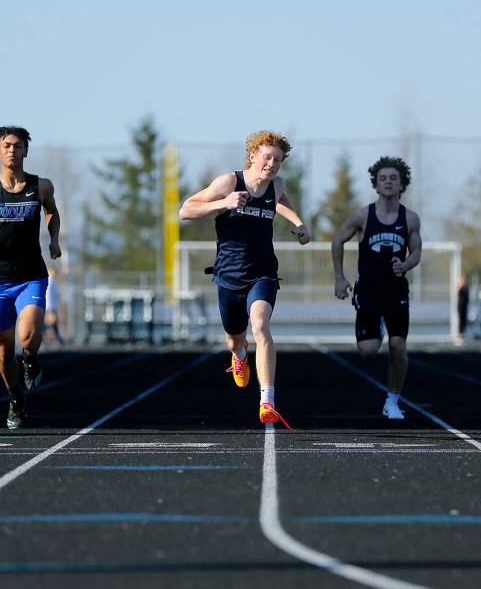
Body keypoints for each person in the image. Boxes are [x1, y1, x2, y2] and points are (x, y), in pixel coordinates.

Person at [178, 130, 310, 429]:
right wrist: (223, 203)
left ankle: (267, 400)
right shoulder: (229, 182)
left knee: (261, 325)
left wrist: (299, 223)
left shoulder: (276, 185)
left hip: (263, 272)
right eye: (267, 157)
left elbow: (280, 199)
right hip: (228, 274)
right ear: (253, 155)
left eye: (278, 160)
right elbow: (185, 210)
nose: (272, 164)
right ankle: (238, 354)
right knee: (235, 336)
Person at [0, 125, 61, 430]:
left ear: (25, 151)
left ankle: (31, 359)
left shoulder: (41, 186)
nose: (12, 151)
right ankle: (15, 396)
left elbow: (52, 212)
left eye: (18, 146)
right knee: (3, 350)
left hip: (31, 276)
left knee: (27, 336)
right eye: (6, 145)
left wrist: (53, 239)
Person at [331, 156, 422, 420]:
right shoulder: (363, 215)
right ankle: (378, 325)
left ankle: (392, 400)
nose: (388, 182)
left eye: (393, 178)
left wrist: (405, 265)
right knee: (367, 350)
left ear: (401, 182)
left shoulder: (411, 219)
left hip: (396, 292)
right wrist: (339, 277)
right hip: (368, 290)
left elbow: (417, 252)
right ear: (376, 184)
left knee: (398, 347)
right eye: (383, 178)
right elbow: (337, 240)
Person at [456, 273, 471, 341]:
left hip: (465, 304)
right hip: (461, 304)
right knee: (461, 319)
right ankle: (460, 333)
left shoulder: (467, 286)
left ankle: (463, 332)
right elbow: (457, 291)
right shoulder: (460, 286)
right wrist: (460, 284)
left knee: (464, 319)